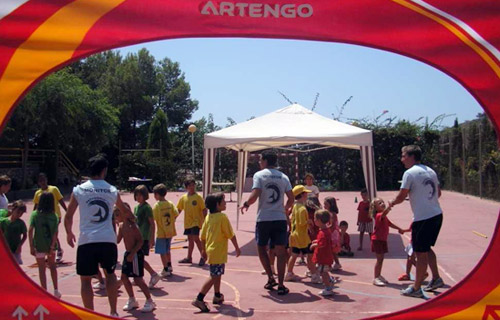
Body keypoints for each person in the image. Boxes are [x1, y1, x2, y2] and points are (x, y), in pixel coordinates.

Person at [65, 154, 135, 317]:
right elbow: (124, 211)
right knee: (110, 274)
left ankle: (90, 314)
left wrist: (69, 233)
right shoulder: (111, 190)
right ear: (104, 170)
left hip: (87, 240)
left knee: (85, 280)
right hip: (107, 239)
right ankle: (112, 312)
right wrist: (132, 218)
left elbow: (69, 215)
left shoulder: (79, 190)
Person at [389, 145, 444, 298]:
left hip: (424, 218)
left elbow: (401, 196)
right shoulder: (430, 170)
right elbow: (438, 193)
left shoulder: (409, 173)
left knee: (420, 254)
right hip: (437, 215)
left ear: (412, 156)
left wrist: (392, 203)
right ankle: (437, 278)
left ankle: (417, 288)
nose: (402, 159)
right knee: (426, 249)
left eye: (403, 155)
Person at [241, 150, 294, 295]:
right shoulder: (284, 177)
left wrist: (246, 203)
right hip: (280, 219)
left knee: (261, 248)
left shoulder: (259, 175)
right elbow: (291, 198)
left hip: (264, 218)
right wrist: (284, 208)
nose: (259, 162)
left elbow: (255, 193)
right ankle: (281, 284)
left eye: (260, 160)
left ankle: (271, 277)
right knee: (281, 251)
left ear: (264, 161)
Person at [192, 193, 240, 312]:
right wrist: (237, 248)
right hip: (218, 251)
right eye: (223, 201)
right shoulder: (222, 217)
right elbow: (231, 234)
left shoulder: (208, 217)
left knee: (217, 274)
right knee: (214, 276)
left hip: (211, 250)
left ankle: (217, 295)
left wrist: (203, 250)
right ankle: (199, 298)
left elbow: (202, 236)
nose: (225, 203)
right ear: (217, 205)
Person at [115, 206, 156, 313]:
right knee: (124, 277)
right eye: (115, 215)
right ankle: (132, 299)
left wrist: (133, 253)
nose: (116, 217)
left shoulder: (133, 226)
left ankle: (149, 300)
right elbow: (118, 240)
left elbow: (140, 241)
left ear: (125, 214)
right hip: (128, 254)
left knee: (138, 280)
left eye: (117, 215)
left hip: (136, 254)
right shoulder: (121, 226)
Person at [29, 192, 61, 298]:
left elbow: (30, 230)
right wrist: (52, 246)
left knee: (41, 268)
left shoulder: (35, 214)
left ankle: (44, 291)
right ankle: (56, 290)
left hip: (39, 245)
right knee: (52, 266)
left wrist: (31, 246)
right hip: (50, 245)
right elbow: (55, 233)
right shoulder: (54, 215)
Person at [285, 185, 319, 283]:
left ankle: (289, 273)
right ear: (302, 195)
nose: (307, 194)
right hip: (302, 236)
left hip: (294, 234)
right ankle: (314, 275)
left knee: (294, 254)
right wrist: (309, 222)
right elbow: (301, 222)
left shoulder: (295, 206)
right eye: (305, 193)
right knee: (310, 255)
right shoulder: (303, 209)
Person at [33, 173, 68, 263]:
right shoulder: (38, 193)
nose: (42, 182)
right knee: (46, 234)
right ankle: (48, 251)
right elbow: (36, 205)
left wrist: (67, 211)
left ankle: (58, 249)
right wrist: (34, 216)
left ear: (46, 180)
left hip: (55, 215)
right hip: (43, 217)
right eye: (40, 181)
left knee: (52, 232)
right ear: (38, 183)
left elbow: (61, 200)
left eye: (44, 180)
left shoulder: (54, 189)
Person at [370, 198, 403, 287]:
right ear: (375, 208)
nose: (382, 203)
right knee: (379, 259)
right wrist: (389, 207)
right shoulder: (378, 215)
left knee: (381, 259)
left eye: (382, 202)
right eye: (379, 203)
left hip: (382, 240)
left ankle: (379, 275)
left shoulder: (384, 216)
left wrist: (399, 228)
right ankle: (376, 278)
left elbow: (390, 224)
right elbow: (384, 213)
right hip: (377, 240)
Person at [133, 185, 161, 288]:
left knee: (139, 258)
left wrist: (151, 238)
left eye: (140, 195)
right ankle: (138, 277)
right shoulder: (136, 207)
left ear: (145, 196)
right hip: (137, 236)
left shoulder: (147, 207)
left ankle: (153, 274)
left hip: (144, 237)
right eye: (136, 195)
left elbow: (152, 223)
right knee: (137, 258)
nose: (138, 197)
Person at [177, 178, 207, 266]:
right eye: (190, 185)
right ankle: (189, 257)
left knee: (196, 239)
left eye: (193, 185)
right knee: (190, 239)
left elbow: (204, 209)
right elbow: (179, 209)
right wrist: (174, 217)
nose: (192, 187)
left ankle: (203, 256)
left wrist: (206, 220)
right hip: (187, 222)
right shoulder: (183, 198)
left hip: (196, 222)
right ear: (186, 187)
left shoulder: (198, 197)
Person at [152, 183, 179, 278]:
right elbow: (176, 213)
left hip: (162, 232)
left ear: (158, 195)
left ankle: (166, 269)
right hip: (170, 231)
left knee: (161, 251)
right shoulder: (170, 204)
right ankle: (169, 265)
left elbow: (153, 218)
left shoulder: (157, 206)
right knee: (167, 250)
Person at [310, 210, 335, 296]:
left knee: (323, 272)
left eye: (315, 218)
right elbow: (324, 241)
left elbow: (322, 244)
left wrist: (314, 245)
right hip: (325, 256)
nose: (314, 220)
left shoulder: (323, 232)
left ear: (319, 220)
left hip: (323, 257)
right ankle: (330, 280)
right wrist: (316, 241)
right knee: (322, 271)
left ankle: (328, 287)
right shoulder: (326, 230)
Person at [324, 196, 342, 271]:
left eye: (326, 204)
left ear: (331, 205)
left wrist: (325, 229)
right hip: (330, 232)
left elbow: (332, 224)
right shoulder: (327, 212)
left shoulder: (332, 214)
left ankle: (333, 264)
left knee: (331, 249)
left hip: (333, 233)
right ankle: (335, 263)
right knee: (330, 249)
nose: (324, 205)